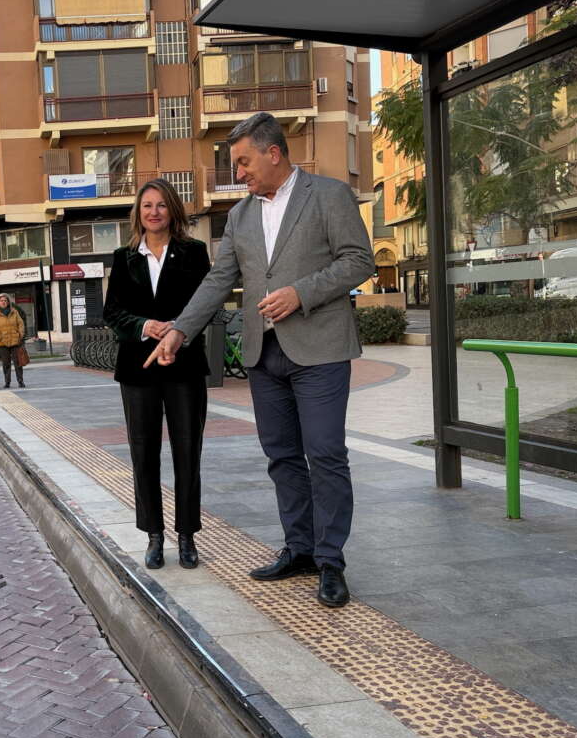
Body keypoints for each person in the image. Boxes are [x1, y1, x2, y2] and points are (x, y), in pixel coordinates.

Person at [146, 112, 374, 607]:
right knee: (283, 458)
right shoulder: (242, 216)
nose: (239, 173)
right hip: (263, 355)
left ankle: (331, 561)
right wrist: (180, 331)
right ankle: (300, 549)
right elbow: (217, 280)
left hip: (319, 351)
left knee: (326, 455)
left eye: (244, 162)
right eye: (235, 165)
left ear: (274, 153)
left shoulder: (330, 195)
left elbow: (360, 261)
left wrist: (301, 292)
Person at [103, 178, 211, 570]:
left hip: (184, 365)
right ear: (138, 212)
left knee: (188, 452)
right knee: (143, 454)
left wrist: (177, 330)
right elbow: (112, 312)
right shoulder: (124, 257)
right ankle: (153, 535)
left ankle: (186, 536)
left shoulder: (194, 252)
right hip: (137, 370)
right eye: (147, 205)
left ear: (173, 211)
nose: (154, 212)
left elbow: (207, 302)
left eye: (161, 205)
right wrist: (146, 326)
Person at [0, 293, 25, 388]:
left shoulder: (14, 312)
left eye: (5, 300)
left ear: (8, 302)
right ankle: (7, 382)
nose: (3, 302)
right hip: (2, 343)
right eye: (2, 301)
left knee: (18, 363)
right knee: (6, 364)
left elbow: (20, 323)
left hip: (15, 341)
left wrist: (20, 335)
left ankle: (20, 381)